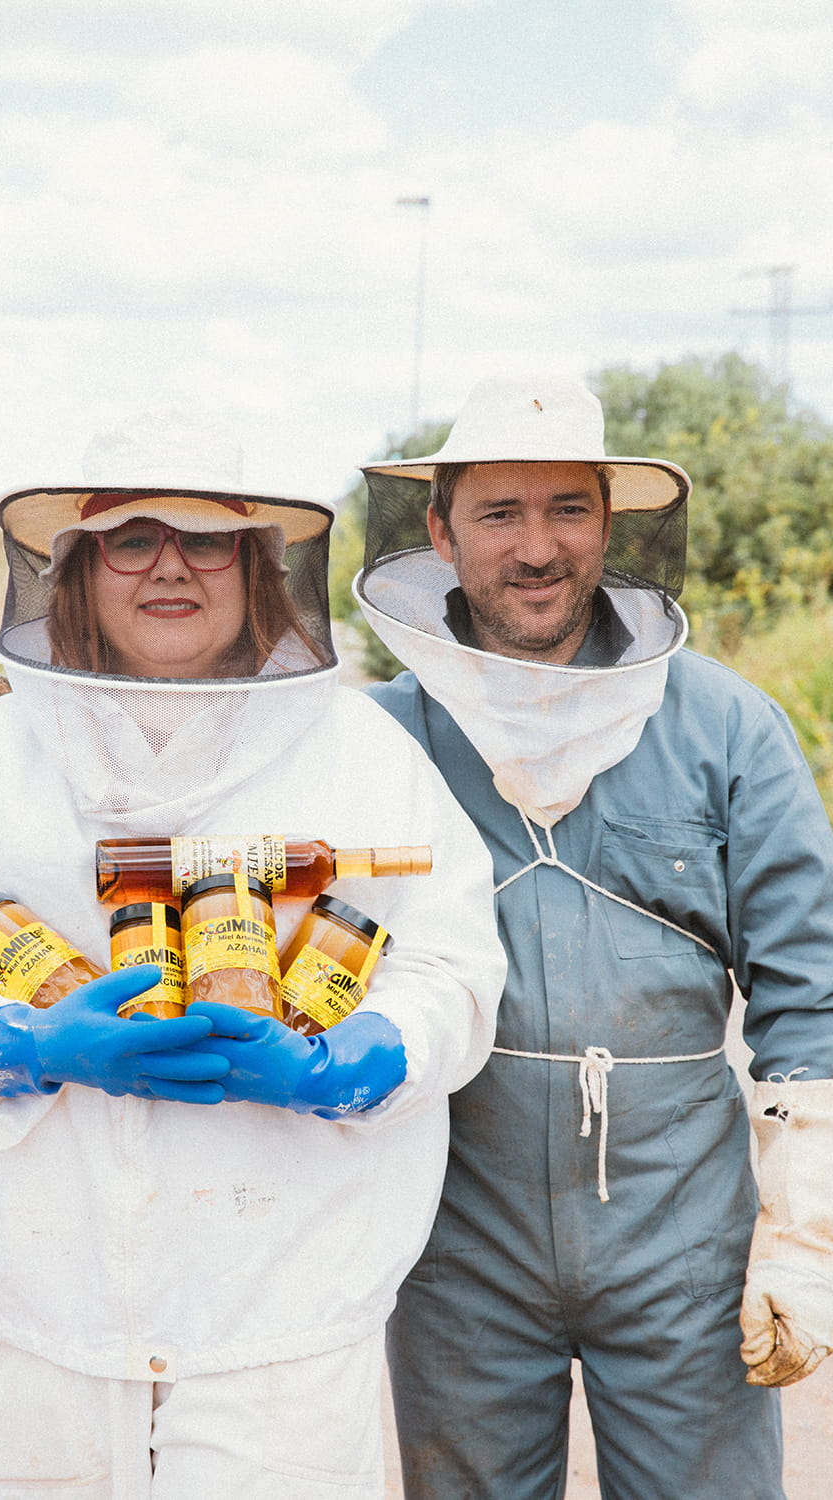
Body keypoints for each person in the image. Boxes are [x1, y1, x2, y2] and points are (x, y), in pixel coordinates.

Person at [0, 408, 506, 1500]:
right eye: (133, 536)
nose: (171, 567)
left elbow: (452, 968)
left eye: (207, 541)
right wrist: (17, 1042)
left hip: (283, 1318)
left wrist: (362, 1059)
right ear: (76, 567)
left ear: (257, 568)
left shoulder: (360, 753)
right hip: (38, 1314)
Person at [351, 373, 833, 1500]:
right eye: (499, 513)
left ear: (609, 524)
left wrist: (803, 1240)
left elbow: (810, 997)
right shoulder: (370, 741)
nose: (536, 548)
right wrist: (22, 724)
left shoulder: (728, 726)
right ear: (438, 531)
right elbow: (212, 807)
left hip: (683, 1242)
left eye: (567, 508)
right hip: (458, 1239)